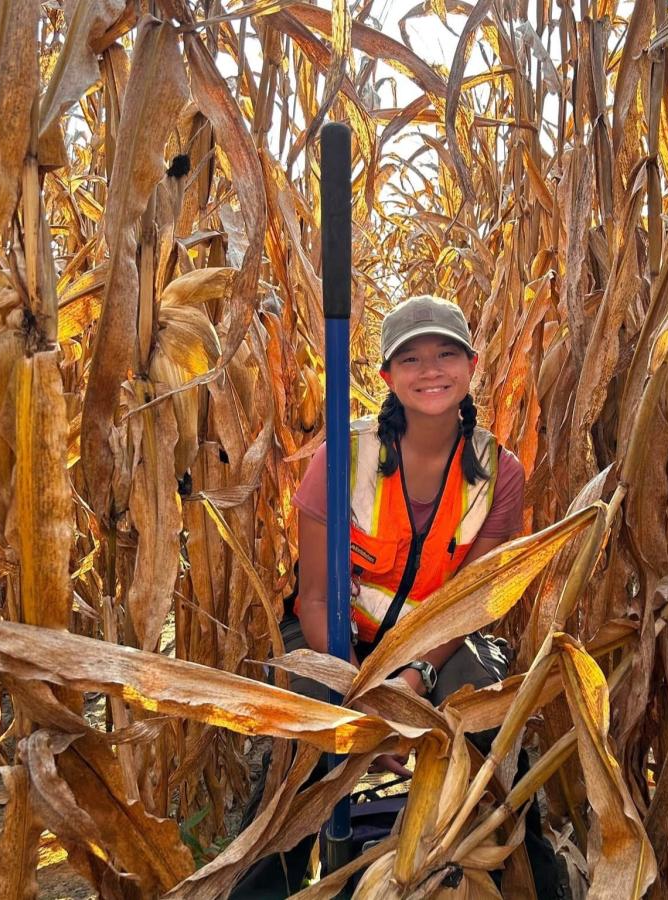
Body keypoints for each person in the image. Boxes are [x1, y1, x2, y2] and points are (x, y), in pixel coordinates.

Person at [231, 295, 569, 898]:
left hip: (442, 642)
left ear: (471, 366)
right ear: (387, 376)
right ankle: (261, 884)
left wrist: (412, 682)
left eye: (446, 354)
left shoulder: (500, 472)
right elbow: (315, 599)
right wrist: (360, 695)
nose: (430, 370)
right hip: (336, 638)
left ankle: (524, 879)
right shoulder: (344, 457)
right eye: (411, 359)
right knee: (307, 724)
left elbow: (472, 603)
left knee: (486, 711)